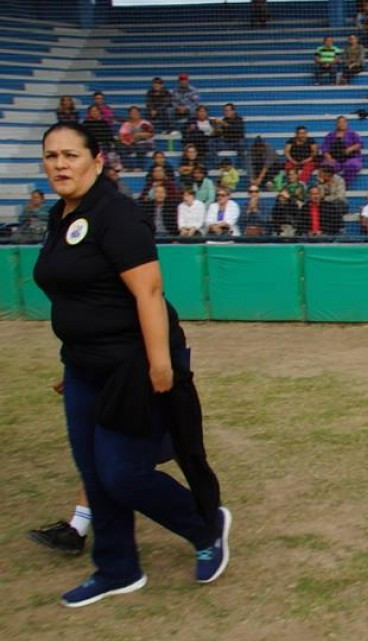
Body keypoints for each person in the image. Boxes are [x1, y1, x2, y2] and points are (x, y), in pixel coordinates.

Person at [35, 122, 230, 608]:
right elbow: (79, 296)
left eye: (71, 155)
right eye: (52, 156)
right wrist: (74, 360)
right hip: (85, 369)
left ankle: (205, 527)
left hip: (135, 364)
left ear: (97, 162)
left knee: (122, 472)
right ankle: (117, 569)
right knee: (94, 473)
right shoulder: (60, 216)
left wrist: (160, 363)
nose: (60, 164)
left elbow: (148, 291)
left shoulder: (115, 213)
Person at [321, 116, 365, 184]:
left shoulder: (353, 134)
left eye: (344, 122)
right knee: (326, 165)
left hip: (351, 157)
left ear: (347, 123)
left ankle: (344, 184)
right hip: (335, 158)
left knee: (352, 165)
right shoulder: (330, 135)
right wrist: (328, 157)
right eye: (339, 122)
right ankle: (329, 185)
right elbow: (324, 148)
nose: (342, 124)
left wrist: (350, 148)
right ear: (336, 124)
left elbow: (360, 144)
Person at [215, 103, 247, 175]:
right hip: (226, 143)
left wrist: (224, 124)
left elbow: (238, 132)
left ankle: (239, 166)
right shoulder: (224, 120)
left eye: (228, 110)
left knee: (241, 143)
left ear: (233, 111)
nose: (226, 112)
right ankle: (217, 164)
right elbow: (221, 133)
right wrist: (217, 128)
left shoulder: (239, 119)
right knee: (212, 142)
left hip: (237, 143)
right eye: (225, 111)